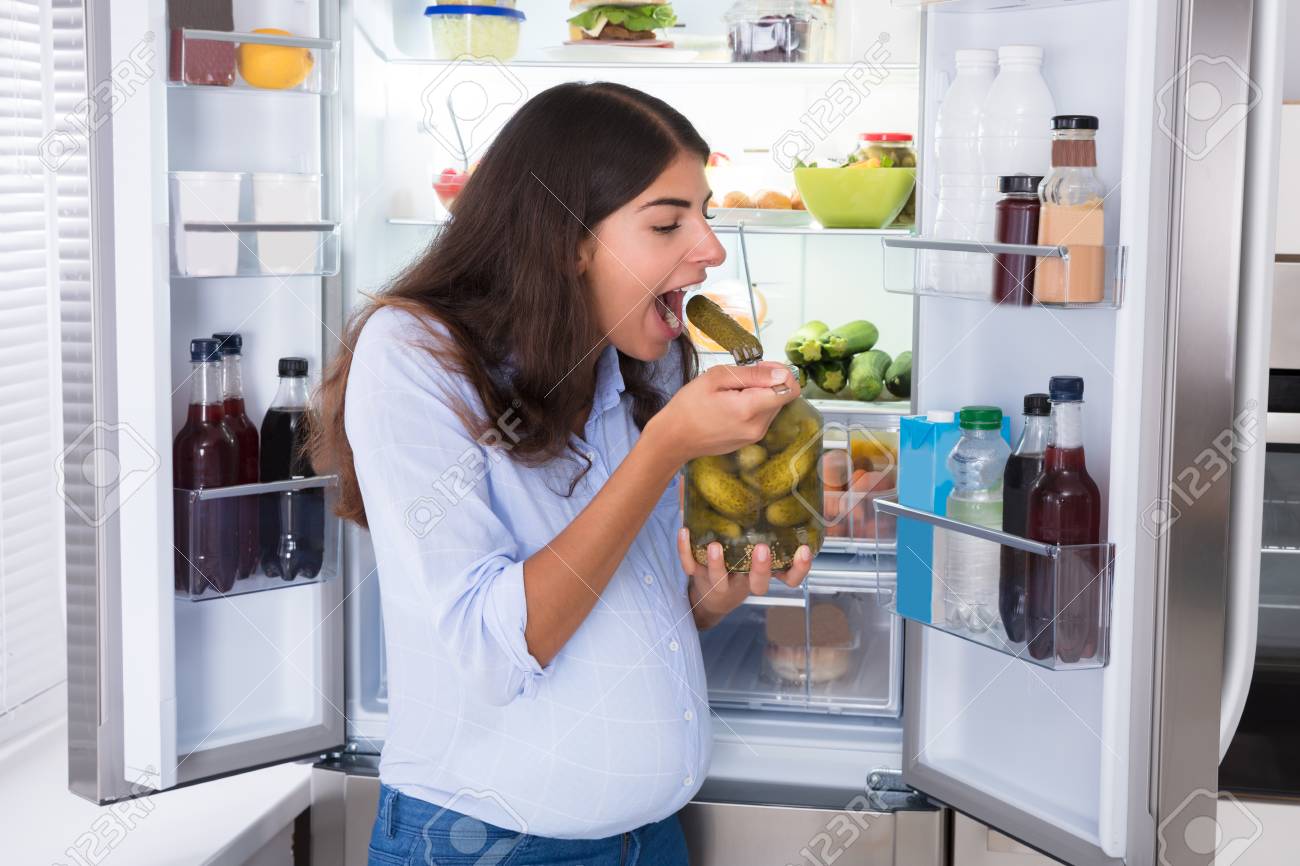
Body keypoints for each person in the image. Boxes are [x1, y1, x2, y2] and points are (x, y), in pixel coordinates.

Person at [309, 81, 811, 866]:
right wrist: (663, 451)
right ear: (569, 238)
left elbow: (610, 601)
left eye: (705, 213)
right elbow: (492, 645)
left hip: (648, 843)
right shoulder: (411, 355)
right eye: (668, 221)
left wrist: (707, 599)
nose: (710, 248)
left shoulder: (625, 360)